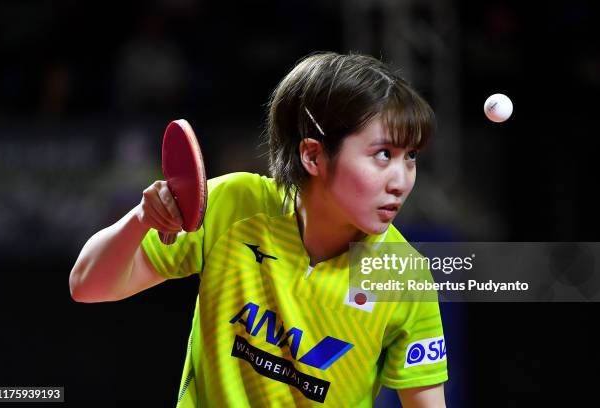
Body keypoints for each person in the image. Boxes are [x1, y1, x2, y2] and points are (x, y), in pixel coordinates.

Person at [70, 52, 448, 407]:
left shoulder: (401, 276)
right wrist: (142, 219)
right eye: (383, 155)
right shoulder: (233, 206)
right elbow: (88, 285)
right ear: (313, 155)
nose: (401, 181)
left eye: (410, 156)